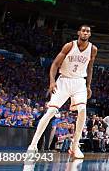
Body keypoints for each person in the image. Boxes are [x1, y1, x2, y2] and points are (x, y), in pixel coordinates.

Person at [27, 24, 98, 160]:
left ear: (90, 34)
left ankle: (74, 146)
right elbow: (54, 64)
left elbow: (90, 68)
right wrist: (52, 82)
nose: (85, 33)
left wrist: (88, 86)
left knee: (83, 110)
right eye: (83, 30)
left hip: (79, 82)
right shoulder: (69, 46)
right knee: (51, 112)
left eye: (88, 31)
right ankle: (33, 145)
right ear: (79, 32)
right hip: (64, 80)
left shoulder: (93, 49)